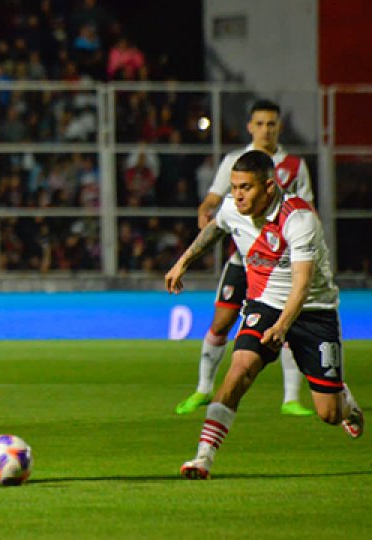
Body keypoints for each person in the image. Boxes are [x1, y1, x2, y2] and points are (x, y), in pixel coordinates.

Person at [166, 150, 363, 479]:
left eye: (246, 187)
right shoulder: (233, 207)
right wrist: (182, 262)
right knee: (239, 371)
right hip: (264, 306)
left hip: (314, 311)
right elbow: (216, 228)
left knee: (328, 413)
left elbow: (301, 284)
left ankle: (345, 402)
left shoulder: (299, 219)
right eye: (234, 187)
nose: (238, 195)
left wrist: (283, 327)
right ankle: (203, 458)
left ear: (269, 188)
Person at [176, 100, 314, 417]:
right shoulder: (235, 161)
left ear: (279, 127)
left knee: (286, 325)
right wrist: (205, 215)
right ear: (250, 126)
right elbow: (212, 200)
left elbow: (307, 209)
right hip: (243, 262)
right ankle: (202, 389)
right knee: (221, 322)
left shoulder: (294, 165)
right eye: (260, 124)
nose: (266, 129)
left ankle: (291, 398)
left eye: (272, 124)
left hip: (281, 265)